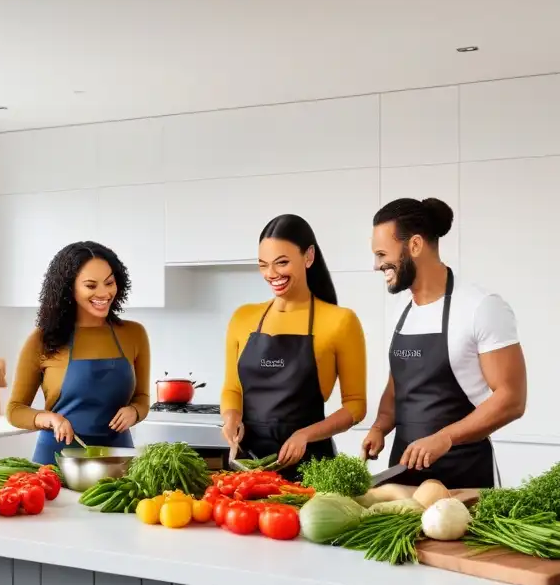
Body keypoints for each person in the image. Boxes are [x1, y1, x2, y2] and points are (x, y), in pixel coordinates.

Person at [361, 197, 527, 488]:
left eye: (381, 254)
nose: (376, 265)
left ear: (414, 246)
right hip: (402, 473)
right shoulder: (401, 308)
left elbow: (512, 399)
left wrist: (444, 438)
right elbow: (399, 382)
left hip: (464, 475)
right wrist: (379, 426)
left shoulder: (481, 306)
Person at [220, 214, 367, 477]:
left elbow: (355, 406)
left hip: (312, 467)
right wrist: (231, 418)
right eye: (263, 265)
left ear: (308, 257)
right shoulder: (242, 318)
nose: (271, 274)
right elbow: (232, 389)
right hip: (250, 469)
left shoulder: (341, 321)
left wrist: (306, 435)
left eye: (282, 263)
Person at [6, 241, 150, 464]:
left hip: (118, 458)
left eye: (109, 283)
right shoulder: (43, 339)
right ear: (69, 289)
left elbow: (142, 398)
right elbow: (15, 410)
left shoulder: (134, 334)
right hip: (57, 459)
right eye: (91, 286)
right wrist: (50, 419)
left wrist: (134, 412)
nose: (104, 293)